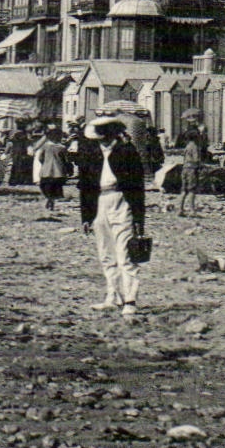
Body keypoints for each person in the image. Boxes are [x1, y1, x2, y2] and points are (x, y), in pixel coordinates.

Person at [76, 114, 147, 317]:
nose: (102, 140)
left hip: (121, 201)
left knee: (125, 252)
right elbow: (85, 186)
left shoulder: (127, 152)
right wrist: (86, 217)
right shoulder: (91, 154)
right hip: (99, 202)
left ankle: (130, 300)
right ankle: (113, 296)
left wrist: (138, 218)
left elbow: (137, 187)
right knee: (106, 252)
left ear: (112, 134)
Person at [31, 126, 71, 212]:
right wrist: (67, 169)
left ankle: (49, 198)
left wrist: (45, 164)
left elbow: (40, 158)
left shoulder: (45, 146)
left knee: (45, 186)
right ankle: (52, 200)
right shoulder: (62, 148)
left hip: (46, 171)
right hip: (58, 172)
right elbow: (66, 160)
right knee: (56, 187)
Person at [178, 124, 207, 217]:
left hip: (185, 169)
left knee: (184, 190)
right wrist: (202, 166)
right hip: (192, 170)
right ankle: (192, 210)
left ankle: (180, 209)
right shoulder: (194, 147)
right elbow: (196, 159)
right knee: (192, 190)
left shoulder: (187, 146)